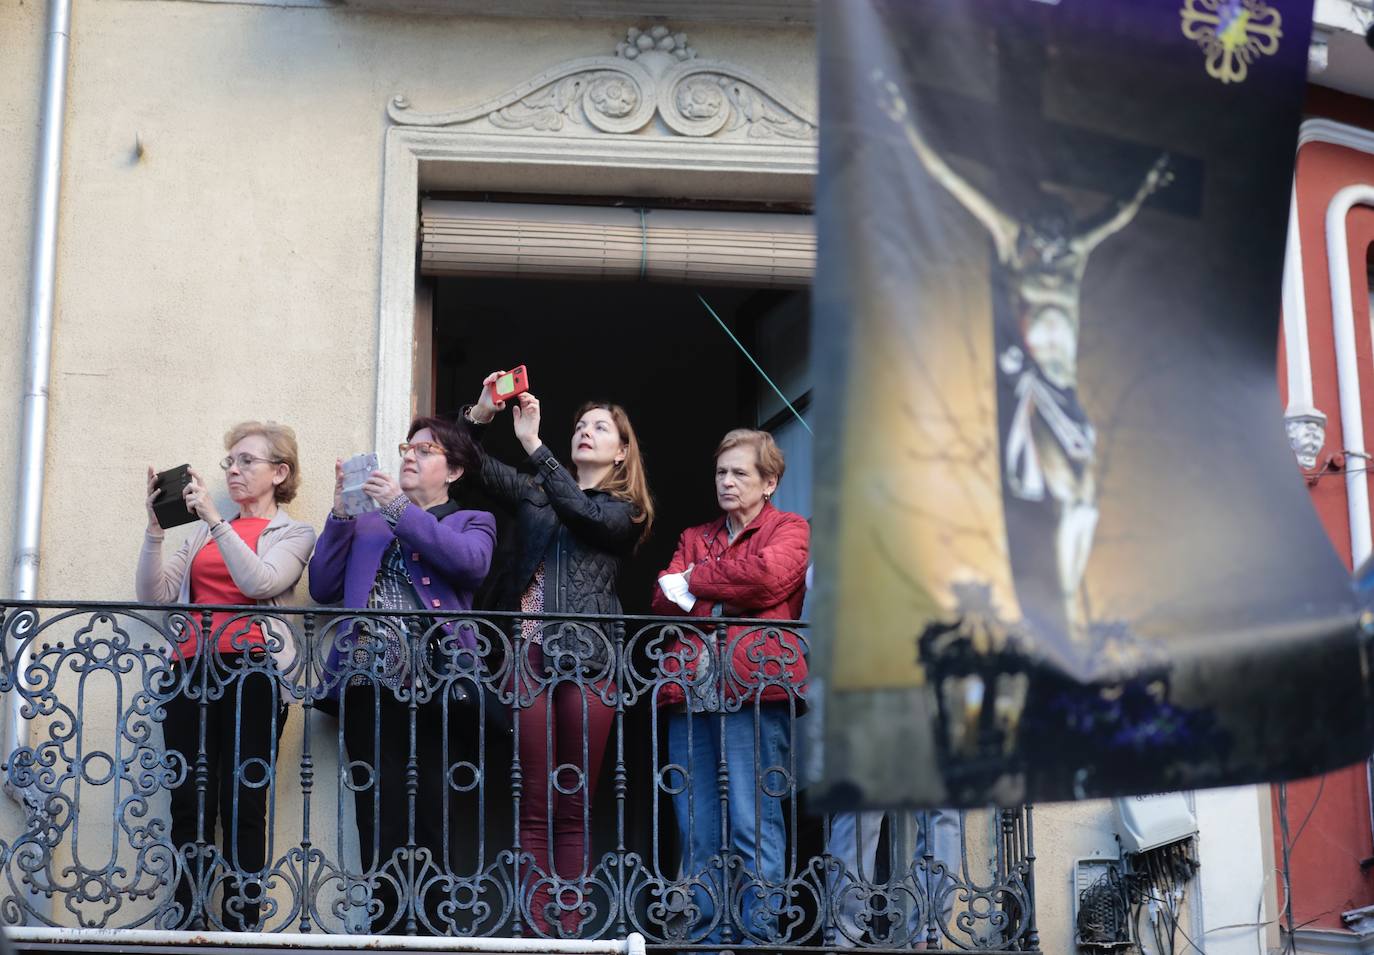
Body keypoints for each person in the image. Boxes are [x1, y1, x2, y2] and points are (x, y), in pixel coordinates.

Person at [460, 375, 653, 937]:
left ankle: (567, 931)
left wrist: (536, 449)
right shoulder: (536, 489)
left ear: (621, 451)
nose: (585, 432)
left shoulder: (625, 509)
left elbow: (584, 515)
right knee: (533, 801)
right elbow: (463, 463)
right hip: (529, 654)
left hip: (590, 661)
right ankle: (535, 932)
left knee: (573, 803)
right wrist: (481, 413)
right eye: (580, 425)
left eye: (600, 428)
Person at [307, 416, 496, 935]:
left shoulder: (473, 520)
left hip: (438, 682)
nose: (410, 456)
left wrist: (398, 509)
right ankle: (387, 928)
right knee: (377, 810)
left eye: (427, 450)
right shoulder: (365, 522)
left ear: (454, 470)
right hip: (368, 679)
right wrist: (342, 514)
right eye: (406, 448)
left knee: (432, 809)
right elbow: (322, 585)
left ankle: (429, 929)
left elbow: (471, 566)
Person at [137, 421, 316, 931]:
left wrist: (218, 521)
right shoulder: (195, 532)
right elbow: (155, 596)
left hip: (252, 673)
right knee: (189, 799)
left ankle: (242, 924)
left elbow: (259, 581)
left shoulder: (293, 532)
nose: (234, 471)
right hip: (189, 668)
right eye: (229, 462)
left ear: (279, 472)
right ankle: (187, 918)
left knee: (244, 800)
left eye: (246, 461)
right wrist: (154, 529)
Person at [650, 429, 809, 947]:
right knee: (696, 828)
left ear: (770, 482)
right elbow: (660, 598)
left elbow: (769, 577)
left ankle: (758, 934)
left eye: (740, 472)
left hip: (757, 687)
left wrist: (695, 582)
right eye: (721, 472)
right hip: (690, 690)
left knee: (751, 822)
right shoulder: (695, 534)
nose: (727, 481)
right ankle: (703, 935)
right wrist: (718, 595)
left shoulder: (791, 527)